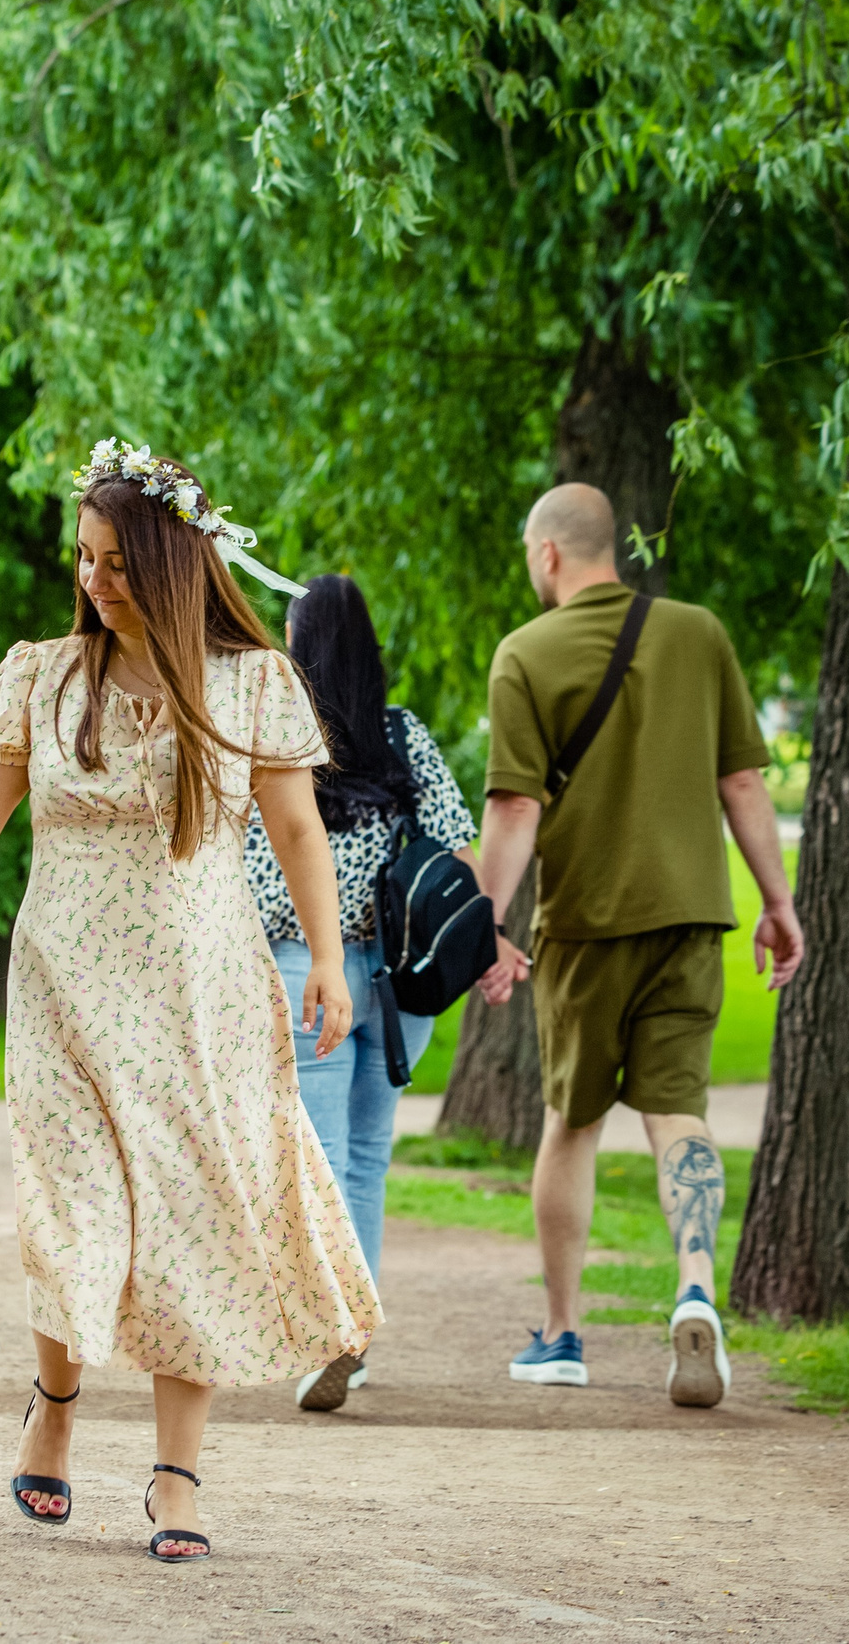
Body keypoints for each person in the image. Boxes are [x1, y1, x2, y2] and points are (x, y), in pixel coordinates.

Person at [0, 438, 375, 1563]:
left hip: (203, 996)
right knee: (76, 1214)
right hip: (67, 992)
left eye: (117, 561)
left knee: (192, 1221)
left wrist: (330, 961)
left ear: (175, 563)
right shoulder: (43, 678)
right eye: (84, 558)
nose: (94, 580)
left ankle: (176, 1476)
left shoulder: (252, 683)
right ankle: (54, 1406)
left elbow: (298, 830)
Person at [472, 483, 803, 1407]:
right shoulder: (700, 633)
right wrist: (779, 903)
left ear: (547, 553)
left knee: (571, 1124)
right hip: (693, 916)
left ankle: (562, 1332)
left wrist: (487, 925)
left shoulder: (525, 653)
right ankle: (695, 1285)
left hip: (585, 924)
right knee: (678, 1114)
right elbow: (743, 783)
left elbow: (516, 805)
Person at [242, 574, 502, 1412]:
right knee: (364, 1160)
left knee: (315, 1159)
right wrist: (489, 938)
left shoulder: (276, 734)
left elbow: (245, 859)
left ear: (301, 643)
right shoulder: (402, 733)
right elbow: (456, 846)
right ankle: (350, 1338)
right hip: (397, 979)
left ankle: (328, 1332)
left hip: (302, 967)